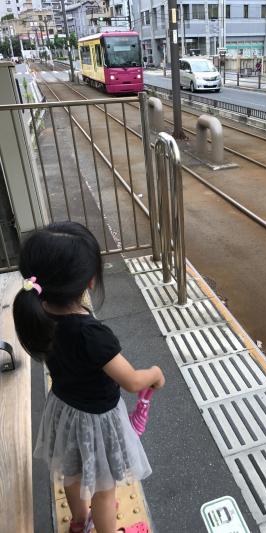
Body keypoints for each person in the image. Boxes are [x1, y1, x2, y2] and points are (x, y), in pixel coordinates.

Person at [13, 221, 165, 533]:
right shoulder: (93, 334)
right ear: (90, 281)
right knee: (104, 492)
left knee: (72, 475)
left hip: (64, 412)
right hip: (98, 421)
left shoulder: (39, 313)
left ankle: (80, 522)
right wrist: (155, 373)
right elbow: (133, 381)